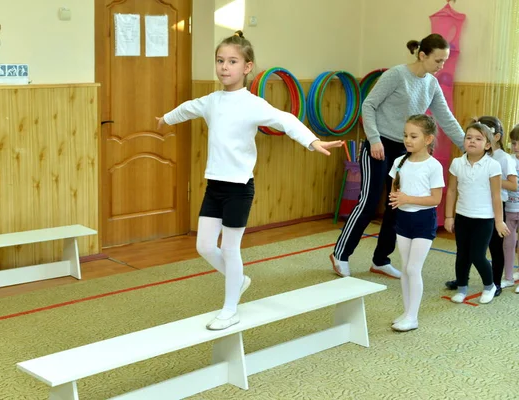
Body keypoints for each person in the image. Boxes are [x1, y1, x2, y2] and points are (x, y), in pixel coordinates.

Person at [156, 31, 343, 330]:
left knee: (230, 250)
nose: (224, 67)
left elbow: (286, 120)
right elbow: (187, 108)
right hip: (214, 185)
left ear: (247, 67)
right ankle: (239, 279)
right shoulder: (211, 101)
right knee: (204, 246)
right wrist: (165, 119)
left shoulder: (253, 104)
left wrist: (311, 141)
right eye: (220, 61)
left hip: (240, 187)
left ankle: (230, 309)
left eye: (232, 61)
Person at [330, 33, 465, 279]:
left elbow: (446, 118)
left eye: (444, 61)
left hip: (405, 151)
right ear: (422, 55)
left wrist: (468, 146)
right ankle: (340, 253)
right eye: (438, 60)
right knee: (368, 204)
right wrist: (374, 139)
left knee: (397, 204)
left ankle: (381, 260)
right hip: (378, 147)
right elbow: (368, 106)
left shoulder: (431, 84)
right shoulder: (395, 75)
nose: (441, 66)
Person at [444, 117, 517, 295]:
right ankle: (462, 284)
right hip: (465, 213)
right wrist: (449, 216)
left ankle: (492, 284)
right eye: (469, 137)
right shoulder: (458, 163)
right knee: (463, 252)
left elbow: (500, 192)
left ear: (489, 142)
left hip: (489, 213)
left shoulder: (497, 162)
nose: (472, 141)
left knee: (485, 251)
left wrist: (499, 220)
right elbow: (452, 190)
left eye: (479, 138)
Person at [388, 115, 444, 332]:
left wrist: (407, 199)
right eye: (405, 135)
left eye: (413, 136)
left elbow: (435, 199)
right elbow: (395, 188)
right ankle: (407, 311)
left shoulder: (433, 166)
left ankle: (413, 317)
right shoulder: (399, 162)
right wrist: (396, 196)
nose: (407, 140)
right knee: (405, 268)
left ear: (428, 139)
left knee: (413, 268)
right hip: (403, 219)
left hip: (423, 221)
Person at [503, 124, 519, 292]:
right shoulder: (509, 160)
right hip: (510, 208)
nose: (517, 147)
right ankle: (508, 277)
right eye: (514, 143)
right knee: (508, 244)